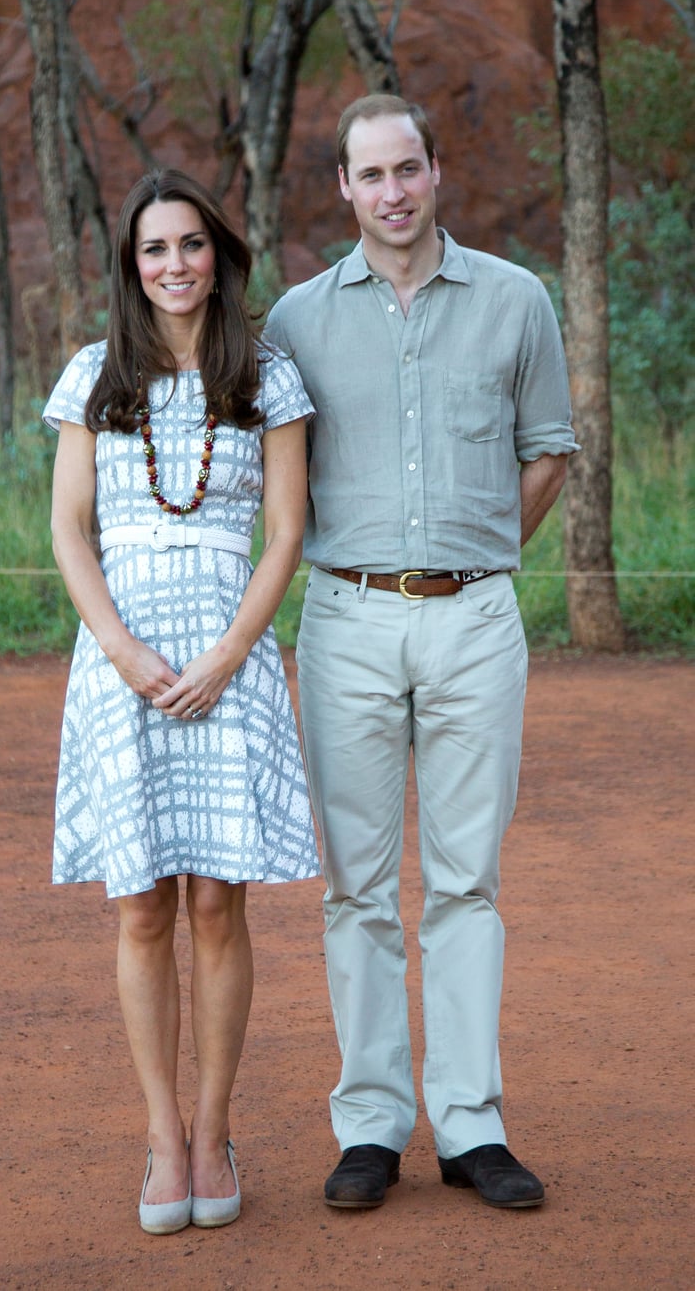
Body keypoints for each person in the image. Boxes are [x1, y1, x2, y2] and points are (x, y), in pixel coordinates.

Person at [265, 94, 578, 1212]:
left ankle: (472, 1126)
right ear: (342, 189)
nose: (392, 192)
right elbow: (278, 481)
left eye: (409, 169)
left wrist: (478, 559)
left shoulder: (515, 300)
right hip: (344, 618)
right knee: (356, 886)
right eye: (370, 175)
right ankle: (370, 1126)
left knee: (465, 882)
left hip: (475, 620)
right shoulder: (296, 322)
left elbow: (547, 451)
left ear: (436, 171)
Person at [43, 168, 320, 1235]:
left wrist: (229, 654)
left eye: (192, 246)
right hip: (122, 666)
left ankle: (215, 1129)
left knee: (217, 901)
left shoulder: (267, 374)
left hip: (229, 654)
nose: (175, 266)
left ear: (220, 257)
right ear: (131, 264)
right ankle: (161, 1136)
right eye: (155, 249)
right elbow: (71, 530)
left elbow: (287, 531)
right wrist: (120, 648)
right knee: (143, 902)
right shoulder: (92, 375)